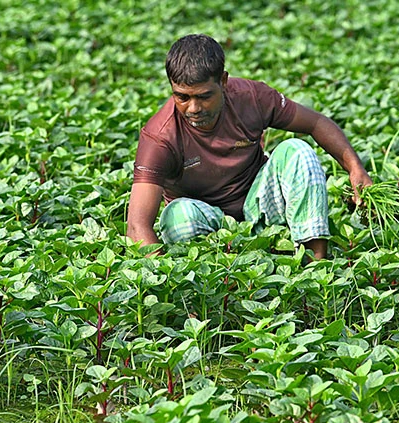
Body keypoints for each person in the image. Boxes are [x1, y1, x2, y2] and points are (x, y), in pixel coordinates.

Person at [126, 34, 373, 259]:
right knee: (176, 215)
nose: (193, 108)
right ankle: (224, 276)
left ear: (223, 81)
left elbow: (316, 123)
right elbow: (137, 225)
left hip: (261, 209)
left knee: (299, 152)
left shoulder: (251, 97)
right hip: (210, 229)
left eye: (204, 96)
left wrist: (355, 168)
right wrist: (166, 283)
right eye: (182, 97)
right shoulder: (160, 137)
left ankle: (314, 266)